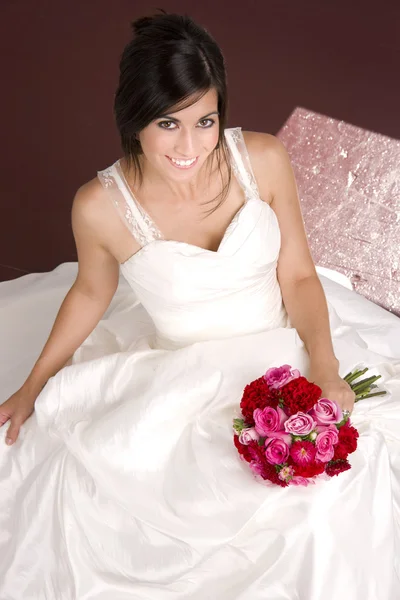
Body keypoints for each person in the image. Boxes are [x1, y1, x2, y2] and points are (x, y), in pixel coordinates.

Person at [0, 11, 399, 600]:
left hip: (284, 348)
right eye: (168, 123)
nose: (190, 146)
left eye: (205, 121)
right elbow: (90, 293)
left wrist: (326, 364)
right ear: (134, 117)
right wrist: (33, 384)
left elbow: (297, 274)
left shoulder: (262, 160)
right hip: (182, 378)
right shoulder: (98, 206)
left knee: (327, 504)